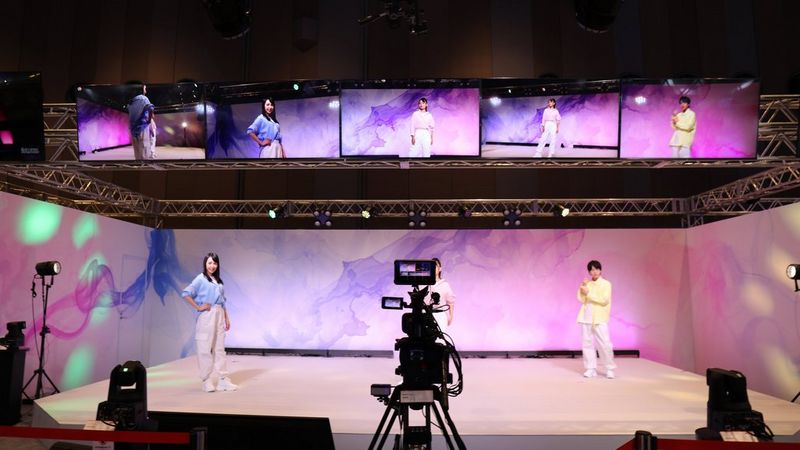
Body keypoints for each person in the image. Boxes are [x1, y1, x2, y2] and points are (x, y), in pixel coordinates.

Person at [181, 252, 238, 392]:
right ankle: (206, 380)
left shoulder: (219, 281)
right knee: (204, 347)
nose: (212, 266)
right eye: (209, 263)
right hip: (207, 315)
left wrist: (226, 318)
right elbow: (185, 293)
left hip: (219, 314)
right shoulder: (200, 279)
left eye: (214, 263)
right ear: (205, 264)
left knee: (219, 348)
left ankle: (223, 380)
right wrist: (198, 307)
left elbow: (223, 302)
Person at [576, 260, 616, 379]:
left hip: (599, 318)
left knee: (605, 344)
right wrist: (583, 287)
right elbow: (581, 299)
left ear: (600, 270)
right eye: (592, 270)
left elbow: (604, 300)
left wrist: (588, 293)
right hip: (586, 317)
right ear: (589, 272)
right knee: (587, 344)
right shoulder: (587, 284)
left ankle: (609, 368)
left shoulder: (606, 284)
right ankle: (591, 368)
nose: (595, 272)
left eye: (597, 269)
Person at [425, 258, 455, 336]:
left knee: (439, 338)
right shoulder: (423, 284)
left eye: (435, 265)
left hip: (440, 315)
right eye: (431, 266)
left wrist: (451, 316)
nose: (433, 268)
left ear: (439, 269)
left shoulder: (445, 285)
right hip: (425, 315)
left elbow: (451, 301)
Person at [128, 84, 156, 160]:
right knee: (144, 147)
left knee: (136, 149)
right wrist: (149, 121)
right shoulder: (143, 98)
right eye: (145, 89)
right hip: (142, 126)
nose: (145, 91)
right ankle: (144, 165)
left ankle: (138, 164)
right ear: (140, 89)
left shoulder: (131, 101)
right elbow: (151, 108)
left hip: (133, 128)